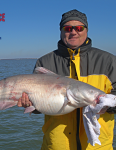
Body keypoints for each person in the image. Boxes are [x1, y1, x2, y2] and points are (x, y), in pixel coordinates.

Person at [17, 9, 116, 150]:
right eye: (68, 28)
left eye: (79, 28)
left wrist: (108, 105)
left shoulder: (108, 61)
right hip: (56, 145)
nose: (73, 32)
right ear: (61, 31)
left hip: (98, 146)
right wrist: (30, 104)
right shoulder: (45, 62)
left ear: (86, 30)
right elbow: (40, 107)